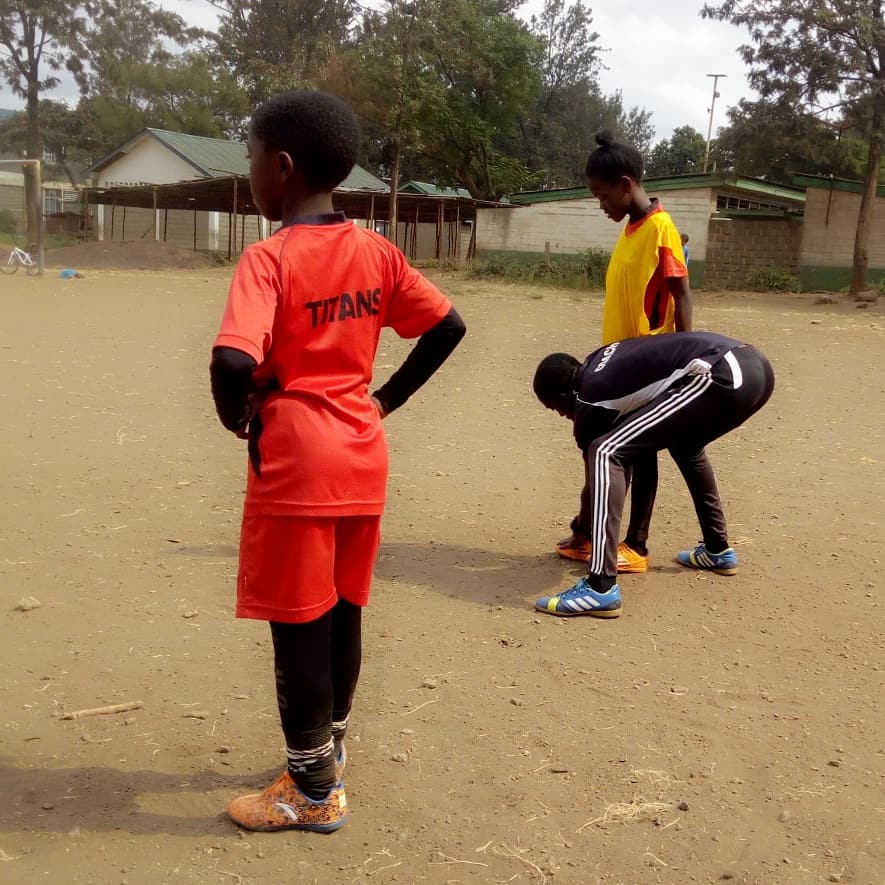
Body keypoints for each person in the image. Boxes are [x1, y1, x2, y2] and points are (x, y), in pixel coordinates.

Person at [210, 90, 466, 832]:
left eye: (252, 157)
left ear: (281, 168)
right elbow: (446, 327)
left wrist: (238, 418)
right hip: (362, 452)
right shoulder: (377, 252)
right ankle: (331, 750)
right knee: (342, 610)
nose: (251, 170)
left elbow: (232, 360)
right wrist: (383, 399)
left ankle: (312, 789)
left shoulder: (270, 258)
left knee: (296, 625)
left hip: (296, 464)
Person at [533, 331, 774, 618]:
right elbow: (640, 452)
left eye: (556, 408)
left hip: (718, 374)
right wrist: (636, 542)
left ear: (564, 395)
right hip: (753, 367)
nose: (562, 415)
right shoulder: (600, 363)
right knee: (685, 445)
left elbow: (597, 480)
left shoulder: (588, 400)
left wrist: (581, 531)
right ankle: (717, 550)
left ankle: (599, 587)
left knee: (604, 451)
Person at [555, 131, 693, 575]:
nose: (601, 205)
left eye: (602, 195)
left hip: (651, 363)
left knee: (640, 452)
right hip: (621, 363)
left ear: (626, 183)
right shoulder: (632, 230)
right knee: (615, 450)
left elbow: (682, 294)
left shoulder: (660, 228)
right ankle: (591, 534)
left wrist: (684, 356)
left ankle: (636, 545)